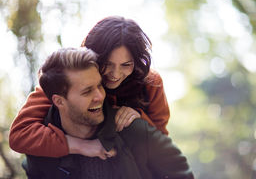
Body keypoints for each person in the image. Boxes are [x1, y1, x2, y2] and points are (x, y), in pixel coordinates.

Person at [9, 16, 170, 159]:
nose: (115, 74)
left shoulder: (150, 82)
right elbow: (20, 135)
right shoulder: (68, 74)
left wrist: (139, 117)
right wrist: (79, 146)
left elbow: (162, 139)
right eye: (107, 64)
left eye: (126, 65)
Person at [22, 47, 193, 179]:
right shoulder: (39, 151)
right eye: (87, 91)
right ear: (59, 101)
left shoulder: (135, 131)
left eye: (99, 85)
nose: (100, 96)